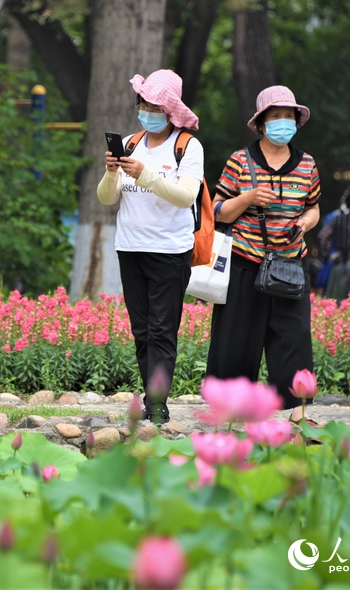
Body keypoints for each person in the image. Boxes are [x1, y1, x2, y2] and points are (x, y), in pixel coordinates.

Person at [207, 85, 320, 424]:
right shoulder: (240, 161)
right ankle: (232, 412)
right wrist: (248, 198)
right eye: (276, 117)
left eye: (289, 116)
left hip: (289, 264)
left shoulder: (308, 164)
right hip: (245, 262)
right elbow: (216, 211)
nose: (283, 123)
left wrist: (305, 223)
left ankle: (296, 410)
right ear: (260, 124)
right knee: (236, 339)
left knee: (294, 336)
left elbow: (314, 207)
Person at [97, 69, 204, 424]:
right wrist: (112, 171)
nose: (147, 110)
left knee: (162, 329)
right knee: (141, 329)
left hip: (170, 251)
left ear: (170, 110)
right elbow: (107, 198)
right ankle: (150, 395)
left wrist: (144, 173)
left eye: (155, 106)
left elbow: (185, 195)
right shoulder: (129, 143)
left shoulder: (187, 146)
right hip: (130, 248)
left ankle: (158, 401)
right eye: (143, 103)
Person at [318, 184, 350, 299]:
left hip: (340, 263)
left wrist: (327, 255)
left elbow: (322, 236)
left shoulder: (337, 219)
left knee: (338, 301)